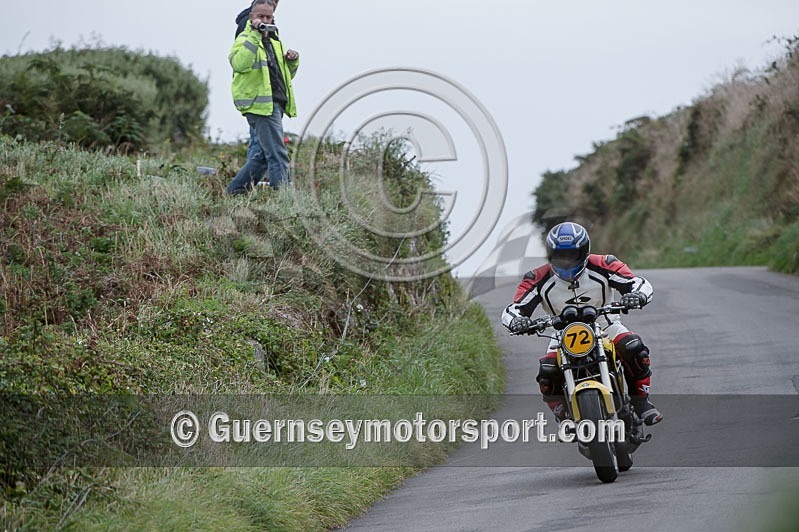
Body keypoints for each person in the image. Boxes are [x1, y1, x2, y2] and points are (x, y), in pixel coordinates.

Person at [501, 221, 663, 426]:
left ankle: (642, 402)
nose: (566, 261)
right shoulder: (536, 278)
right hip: (561, 336)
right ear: (550, 255)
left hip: (606, 325)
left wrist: (636, 295)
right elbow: (512, 309)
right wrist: (518, 321)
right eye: (560, 255)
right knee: (547, 371)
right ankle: (563, 415)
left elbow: (638, 283)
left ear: (584, 253)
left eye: (572, 255)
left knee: (633, 347)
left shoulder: (604, 263)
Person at [227, 0, 298, 194]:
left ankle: (236, 191)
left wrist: (293, 62)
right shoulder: (245, 38)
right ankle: (283, 199)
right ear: (252, 17)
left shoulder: (274, 41)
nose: (265, 20)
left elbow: (282, 75)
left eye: (268, 17)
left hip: (275, 104)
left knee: (264, 156)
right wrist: (254, 33)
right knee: (277, 154)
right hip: (259, 105)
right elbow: (240, 64)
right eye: (261, 17)